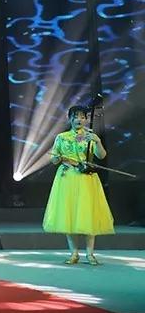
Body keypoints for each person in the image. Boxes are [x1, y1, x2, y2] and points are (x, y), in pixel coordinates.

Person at [43, 105, 114, 265]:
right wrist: (58, 157)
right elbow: (54, 160)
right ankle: (74, 253)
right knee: (69, 215)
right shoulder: (62, 137)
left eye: (82, 117)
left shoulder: (90, 136)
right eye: (75, 117)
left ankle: (90, 254)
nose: (79, 120)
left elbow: (101, 155)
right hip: (67, 177)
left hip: (86, 178)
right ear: (70, 119)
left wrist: (98, 141)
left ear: (86, 120)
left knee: (88, 214)